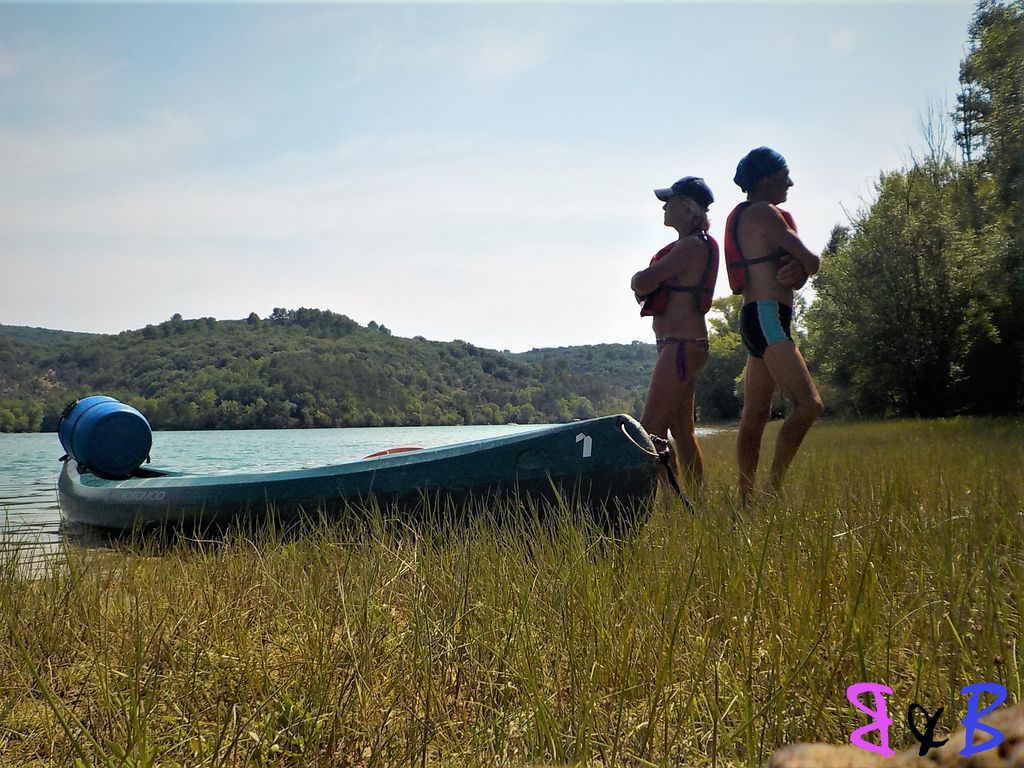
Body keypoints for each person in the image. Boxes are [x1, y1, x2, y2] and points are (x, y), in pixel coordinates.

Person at [725, 147, 824, 501]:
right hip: (768, 317)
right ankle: (771, 492)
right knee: (809, 404)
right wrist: (803, 266)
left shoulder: (749, 215)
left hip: (756, 318)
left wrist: (796, 271)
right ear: (766, 178)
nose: (791, 182)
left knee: (755, 414)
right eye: (785, 176)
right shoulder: (766, 213)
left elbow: (797, 270)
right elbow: (811, 261)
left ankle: (746, 499)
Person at [631, 176, 719, 489]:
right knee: (682, 432)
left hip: (680, 346)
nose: (665, 207)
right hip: (686, 345)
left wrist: (637, 279)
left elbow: (643, 283)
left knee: (649, 430)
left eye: (670, 201)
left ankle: (654, 505)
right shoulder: (695, 245)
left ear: (687, 206)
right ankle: (693, 502)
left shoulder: (691, 246)